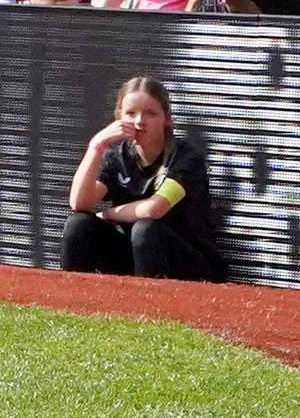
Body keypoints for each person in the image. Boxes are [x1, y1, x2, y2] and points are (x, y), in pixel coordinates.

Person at [62, 77, 219, 280]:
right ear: (119, 118)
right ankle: (72, 303)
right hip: (134, 257)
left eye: (150, 114)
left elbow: (153, 209)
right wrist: (97, 145)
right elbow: (79, 202)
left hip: (187, 264)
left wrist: (107, 214)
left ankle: (152, 308)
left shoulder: (186, 158)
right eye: (130, 114)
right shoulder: (116, 156)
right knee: (78, 223)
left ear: (167, 118)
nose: (139, 122)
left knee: (145, 230)